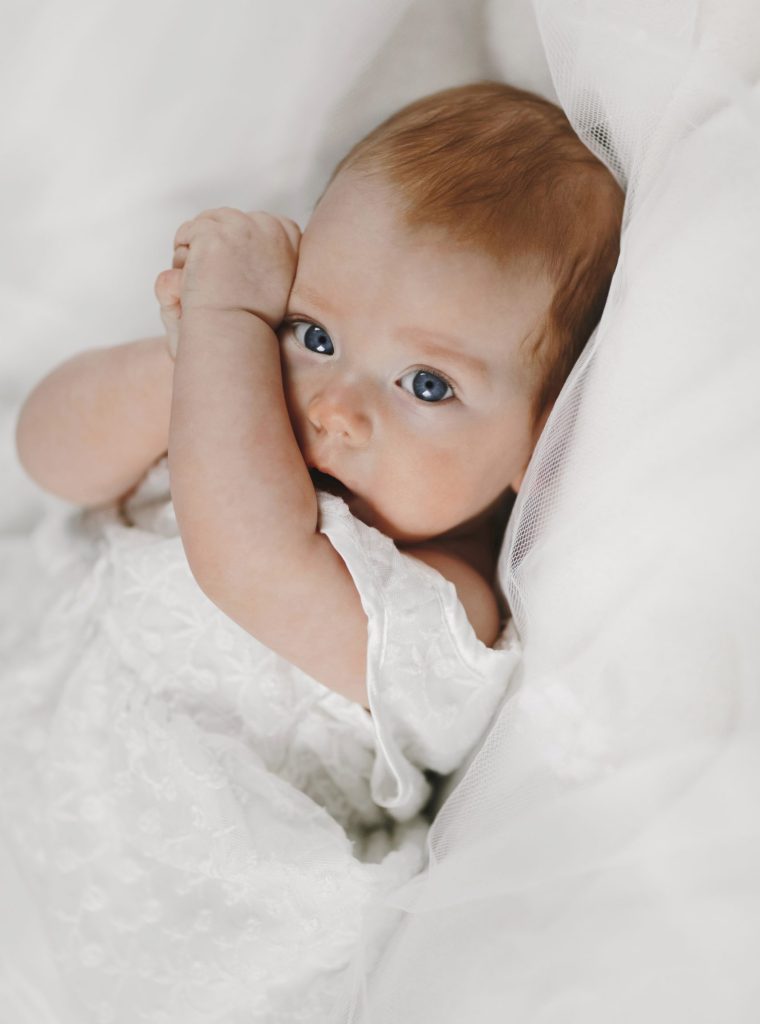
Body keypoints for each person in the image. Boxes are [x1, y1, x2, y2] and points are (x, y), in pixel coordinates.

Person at [6, 82, 623, 1022]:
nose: (332, 405)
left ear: (542, 448)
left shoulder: (447, 609)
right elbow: (47, 452)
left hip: (164, 942)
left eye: (426, 383)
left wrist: (226, 330)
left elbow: (249, 559)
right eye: (317, 332)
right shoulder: (241, 407)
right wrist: (190, 359)